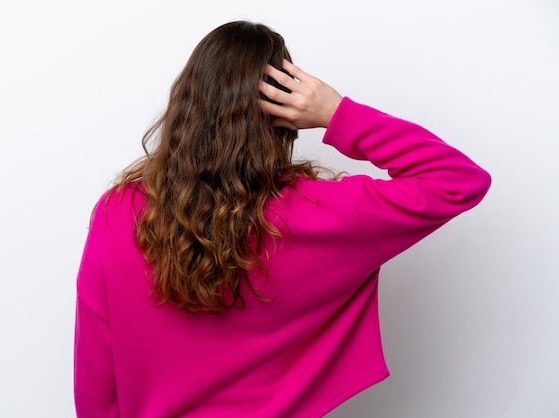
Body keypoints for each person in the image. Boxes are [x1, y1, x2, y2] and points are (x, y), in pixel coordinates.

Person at [74, 21, 491, 417]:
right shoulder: (320, 213)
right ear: (285, 118)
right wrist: (338, 113)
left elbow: (97, 376)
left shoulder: (119, 213)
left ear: (186, 104)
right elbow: (457, 181)